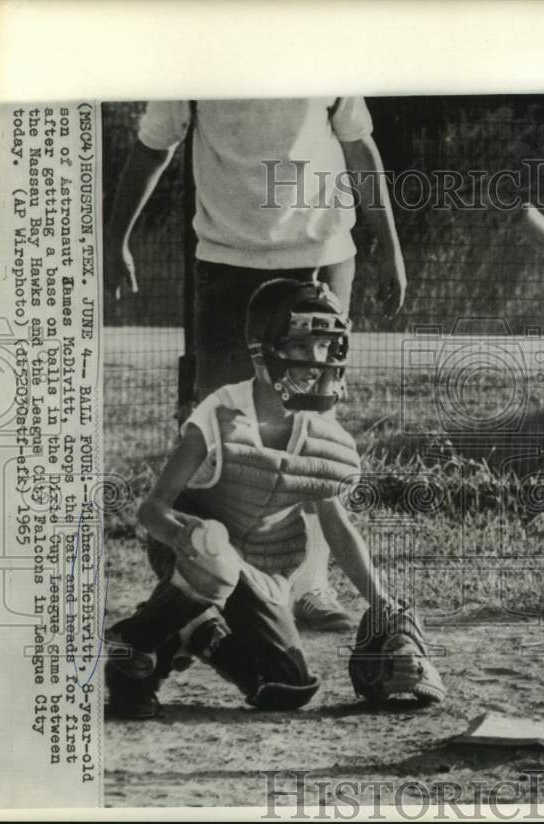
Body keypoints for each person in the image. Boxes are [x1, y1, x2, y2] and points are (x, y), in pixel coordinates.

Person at [105, 97, 405, 630]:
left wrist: (390, 245)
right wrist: (115, 238)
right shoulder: (196, 47)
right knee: (225, 433)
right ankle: (217, 583)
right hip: (227, 259)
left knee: (312, 430)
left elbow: (357, 144)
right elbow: (154, 145)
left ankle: (310, 587)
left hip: (319, 253)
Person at [104, 280, 445, 719]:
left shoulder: (320, 432)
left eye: (325, 347)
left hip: (260, 568)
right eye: (301, 347)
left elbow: (337, 528)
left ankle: (200, 628)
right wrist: (189, 543)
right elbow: (152, 511)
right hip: (191, 552)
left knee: (288, 686)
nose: (315, 362)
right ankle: (136, 650)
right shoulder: (221, 412)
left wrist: (382, 602)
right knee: (216, 559)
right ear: (261, 351)